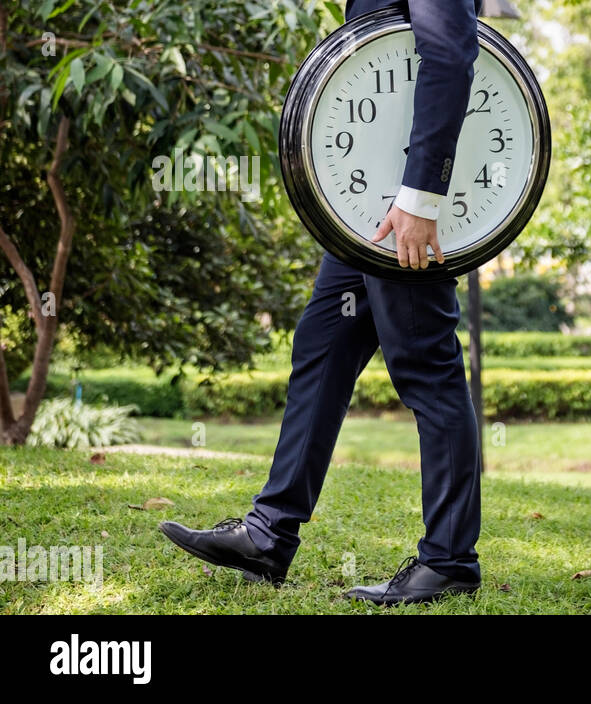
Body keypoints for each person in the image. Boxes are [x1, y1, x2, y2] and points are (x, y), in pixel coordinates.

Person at [158, 0, 485, 606]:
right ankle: (268, 535)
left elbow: (448, 54)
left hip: (402, 206)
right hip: (367, 212)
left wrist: (422, 197)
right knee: (322, 346)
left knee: (427, 368)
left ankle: (449, 562)